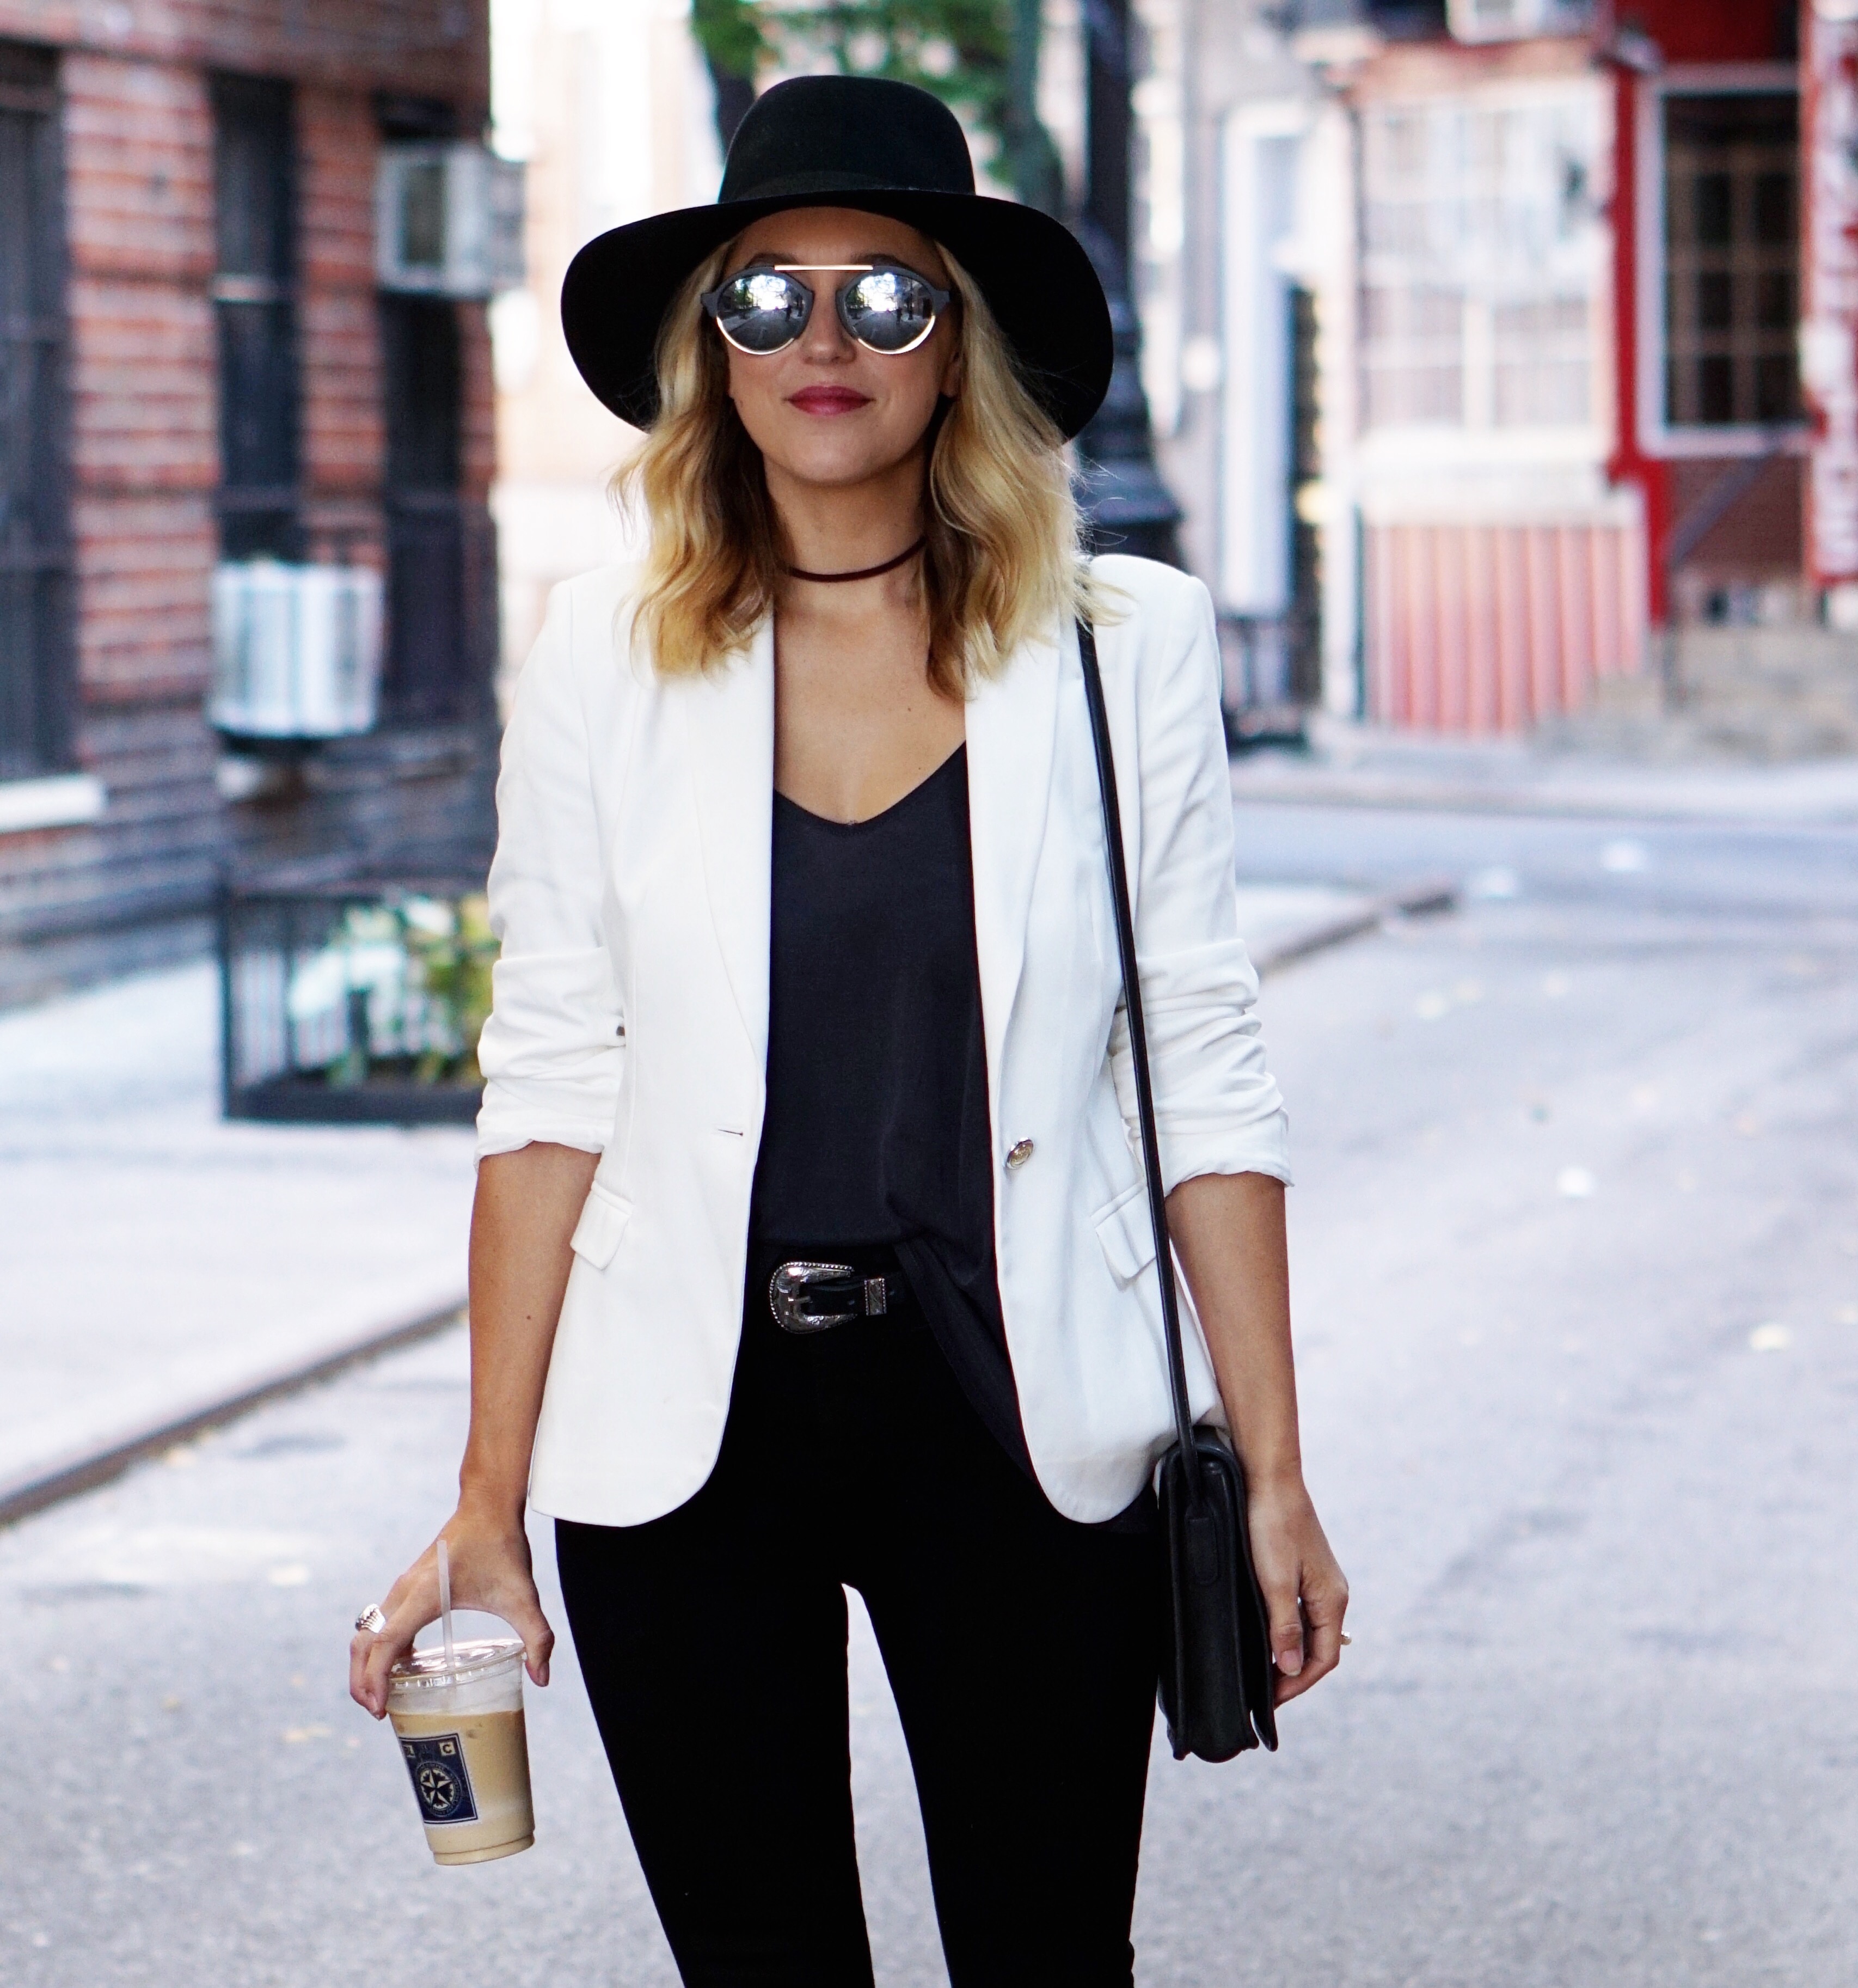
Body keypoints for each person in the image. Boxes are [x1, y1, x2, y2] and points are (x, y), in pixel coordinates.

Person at [351, 74, 1347, 1986]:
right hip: (689, 1435)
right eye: (767, 294)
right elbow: (549, 1075)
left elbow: (1202, 1067)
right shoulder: (601, 653)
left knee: (1049, 1954)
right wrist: (484, 1500)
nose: (825, 339)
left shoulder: (1122, 646)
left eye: (884, 296)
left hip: (1015, 1400)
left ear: (956, 345)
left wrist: (1279, 1472)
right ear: (707, 348)